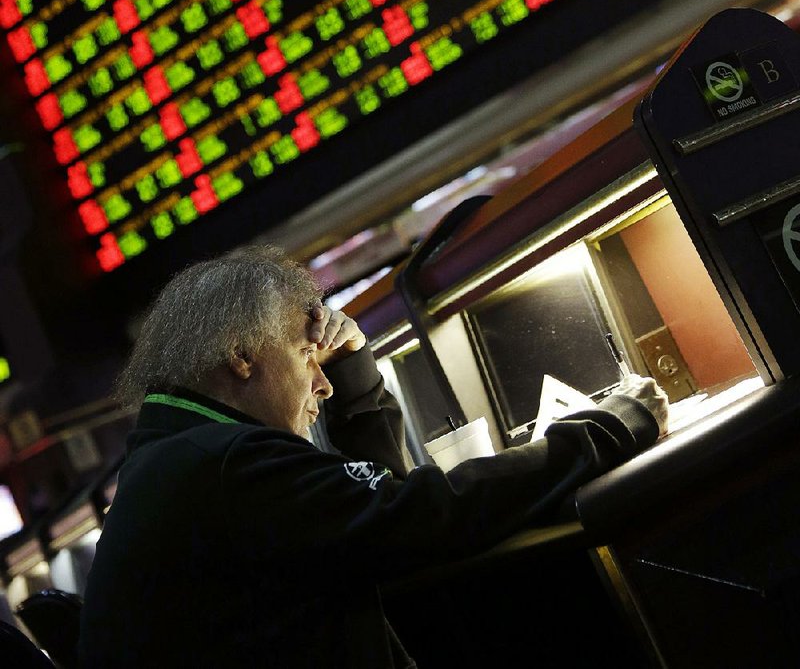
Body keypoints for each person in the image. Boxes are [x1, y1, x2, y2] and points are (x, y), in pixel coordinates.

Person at [78, 245, 668, 668]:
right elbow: (416, 514)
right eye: (308, 353)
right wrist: (609, 426)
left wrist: (353, 363)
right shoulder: (224, 464)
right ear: (241, 357)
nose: (323, 383)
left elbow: (374, 506)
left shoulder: (177, 457)